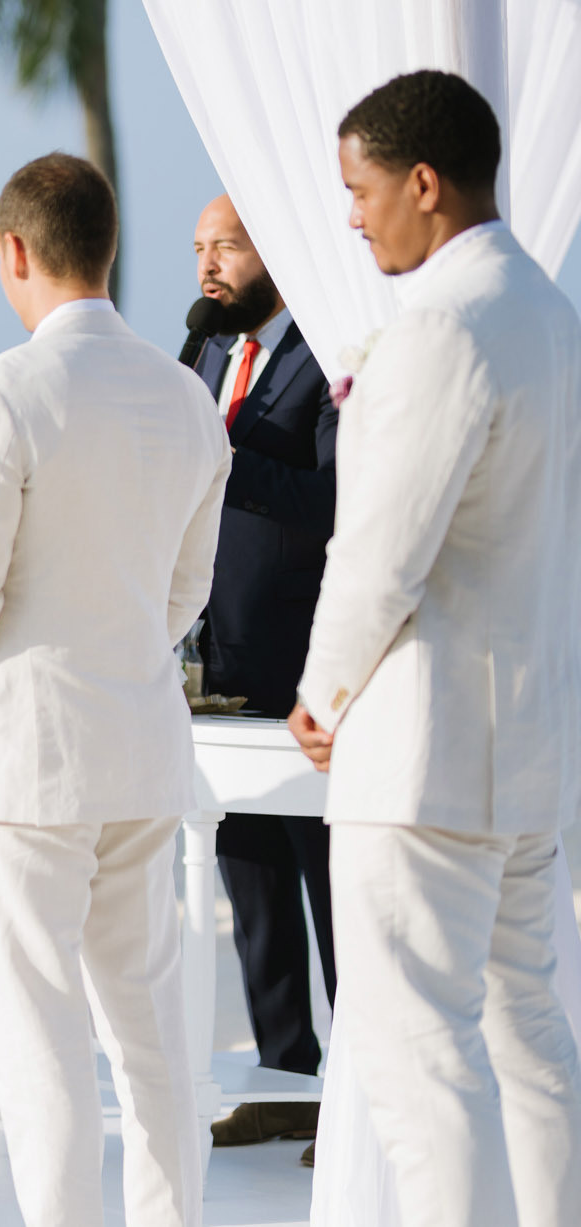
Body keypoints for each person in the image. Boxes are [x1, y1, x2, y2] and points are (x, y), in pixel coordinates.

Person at [289, 69, 581, 1227]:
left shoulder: (439, 328)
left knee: (423, 1062)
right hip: (528, 755)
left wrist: (320, 695)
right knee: (530, 1036)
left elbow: (376, 556)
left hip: (421, 755)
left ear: (421, 182)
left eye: (358, 189)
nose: (350, 216)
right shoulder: (551, 316)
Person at [0, 153, 229, 1227]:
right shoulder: (189, 396)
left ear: (14, 251)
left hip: (30, 746)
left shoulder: (0, 390)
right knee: (147, 1022)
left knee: (36, 1026)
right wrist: (125, 647)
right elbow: (186, 586)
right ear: (109, 246)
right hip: (143, 735)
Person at [186, 194, 338, 1157]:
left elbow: (332, 497)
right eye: (198, 248)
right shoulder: (199, 351)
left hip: (306, 661)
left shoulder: (324, 356)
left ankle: (357, 1096)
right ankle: (288, 1076)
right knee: (251, 883)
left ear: (275, 255)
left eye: (227, 248)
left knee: (332, 880)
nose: (208, 266)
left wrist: (221, 451)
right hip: (220, 657)